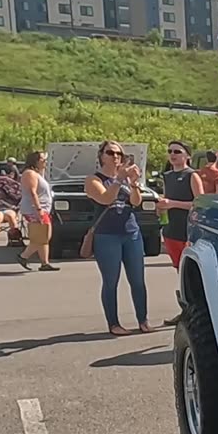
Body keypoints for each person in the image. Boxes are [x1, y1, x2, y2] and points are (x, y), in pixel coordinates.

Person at [84, 140, 152, 336]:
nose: (115, 157)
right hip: (107, 235)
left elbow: (136, 202)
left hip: (131, 232)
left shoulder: (123, 178)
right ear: (101, 156)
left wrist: (134, 183)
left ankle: (143, 320)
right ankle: (114, 324)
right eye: (110, 153)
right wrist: (118, 179)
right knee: (111, 280)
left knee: (138, 279)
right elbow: (105, 198)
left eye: (119, 154)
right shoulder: (93, 180)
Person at [157, 141, 204, 325]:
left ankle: (195, 313)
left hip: (187, 231)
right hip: (171, 231)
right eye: (170, 151)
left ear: (187, 156)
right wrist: (161, 207)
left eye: (177, 151)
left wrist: (173, 203)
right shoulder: (167, 176)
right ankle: (185, 312)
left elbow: (199, 204)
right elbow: (166, 200)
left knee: (191, 275)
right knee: (179, 272)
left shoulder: (192, 175)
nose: (173, 154)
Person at [17, 150, 58, 271]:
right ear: (35, 161)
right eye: (43, 160)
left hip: (43, 209)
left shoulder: (38, 174)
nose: (45, 162)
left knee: (44, 236)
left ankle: (45, 263)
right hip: (34, 209)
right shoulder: (29, 174)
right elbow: (32, 192)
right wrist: (38, 208)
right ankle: (23, 256)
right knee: (42, 236)